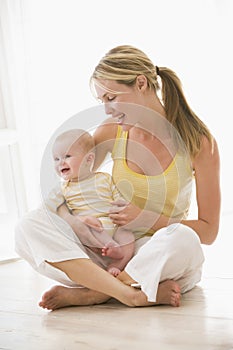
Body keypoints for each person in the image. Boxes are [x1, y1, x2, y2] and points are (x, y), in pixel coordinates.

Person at [15, 44, 221, 311]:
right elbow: (66, 187)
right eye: (102, 101)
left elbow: (208, 231)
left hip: (158, 254)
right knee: (28, 226)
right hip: (108, 250)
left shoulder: (199, 142)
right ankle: (130, 292)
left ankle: (95, 293)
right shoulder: (112, 130)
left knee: (184, 240)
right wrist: (74, 222)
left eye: (111, 98)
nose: (107, 110)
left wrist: (146, 218)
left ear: (141, 83)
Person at [49, 128, 135, 276]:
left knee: (128, 236)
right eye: (56, 159)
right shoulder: (63, 189)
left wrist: (122, 208)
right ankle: (110, 250)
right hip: (90, 229)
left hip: (113, 225)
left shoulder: (104, 178)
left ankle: (118, 264)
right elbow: (52, 209)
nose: (60, 162)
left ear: (88, 159)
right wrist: (80, 219)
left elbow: (119, 198)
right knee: (88, 228)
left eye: (67, 156)